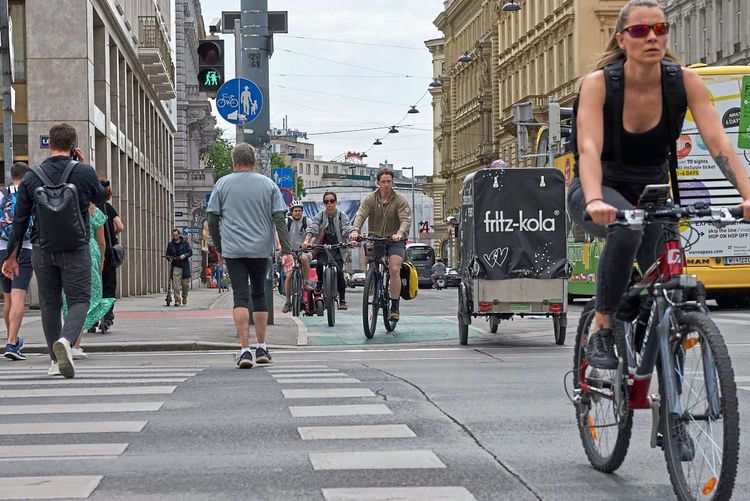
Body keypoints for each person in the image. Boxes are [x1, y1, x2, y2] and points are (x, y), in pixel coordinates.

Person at [569, 0, 750, 370]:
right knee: (625, 228)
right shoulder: (600, 84)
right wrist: (593, 200)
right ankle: (602, 327)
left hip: (653, 193)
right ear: (621, 40)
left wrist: (748, 195)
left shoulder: (683, 82)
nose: (652, 37)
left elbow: (718, 144)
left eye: (660, 29)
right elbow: (588, 148)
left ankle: (674, 417)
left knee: (671, 292)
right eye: (640, 31)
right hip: (598, 186)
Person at [2, 123, 105, 378]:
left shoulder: (31, 177)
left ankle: (54, 360)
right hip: (76, 246)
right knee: (80, 299)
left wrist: (11, 257)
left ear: (50, 143)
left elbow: (20, 220)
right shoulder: (84, 172)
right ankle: (67, 341)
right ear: (73, 145)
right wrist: (82, 164)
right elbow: (101, 198)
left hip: (42, 248)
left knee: (49, 303)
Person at [207, 143, 292, 369]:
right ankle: (262, 346)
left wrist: (219, 247)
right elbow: (280, 219)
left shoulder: (222, 184)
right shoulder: (269, 185)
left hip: (233, 250)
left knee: (240, 297)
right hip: (260, 250)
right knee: (259, 295)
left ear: (234, 161)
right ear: (254, 161)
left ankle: (245, 350)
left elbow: (212, 218)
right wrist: (286, 250)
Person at [350, 167, 412, 320]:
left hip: (395, 239)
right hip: (376, 237)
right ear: (378, 183)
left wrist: (400, 233)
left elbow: (406, 219)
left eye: (389, 182)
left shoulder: (399, 199)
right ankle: (373, 294)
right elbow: (361, 214)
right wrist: (355, 230)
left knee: (394, 268)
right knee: (372, 266)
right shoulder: (371, 198)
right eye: (383, 182)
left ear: (392, 182)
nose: (386, 185)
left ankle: (395, 307)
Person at [65, 203, 116, 360]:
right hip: (89, 254)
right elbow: (102, 242)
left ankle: (66, 339)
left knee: (68, 299)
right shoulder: (94, 211)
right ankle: (75, 344)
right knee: (84, 298)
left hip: (66, 252)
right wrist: (101, 260)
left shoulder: (66, 207)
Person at [1, 162, 32, 360]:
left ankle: (12, 338)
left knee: (8, 298)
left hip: (2, 249)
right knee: (18, 296)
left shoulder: (2, 194)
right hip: (25, 248)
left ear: (11, 176)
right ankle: (12, 343)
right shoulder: (30, 194)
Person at [302, 192, 353, 310]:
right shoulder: (320, 216)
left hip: (338, 248)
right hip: (323, 248)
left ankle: (342, 299)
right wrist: (307, 240)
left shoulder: (342, 216)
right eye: (326, 202)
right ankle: (320, 282)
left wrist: (351, 238)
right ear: (324, 203)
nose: (329, 204)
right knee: (319, 264)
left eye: (331, 201)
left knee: (339, 272)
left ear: (336, 202)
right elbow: (313, 228)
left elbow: (347, 229)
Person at [98, 179, 124, 331]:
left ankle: (93, 319)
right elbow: (120, 226)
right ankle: (108, 315)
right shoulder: (108, 208)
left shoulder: (91, 208)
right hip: (108, 252)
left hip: (94, 251)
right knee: (109, 284)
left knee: (95, 285)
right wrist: (113, 236)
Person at [282, 200, 313, 313]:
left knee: (304, 258)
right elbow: (280, 235)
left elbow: (312, 234)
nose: (297, 213)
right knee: (289, 275)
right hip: (290, 252)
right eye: (295, 211)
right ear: (291, 212)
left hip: (304, 251)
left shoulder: (307, 221)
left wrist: (308, 243)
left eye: (299, 210)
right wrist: (281, 247)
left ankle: (306, 282)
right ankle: (287, 301)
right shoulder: (287, 222)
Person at [166, 228, 192, 306]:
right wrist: (169, 258)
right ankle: (177, 300)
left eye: (176, 235)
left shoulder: (185, 243)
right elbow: (167, 254)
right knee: (176, 285)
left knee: (185, 285)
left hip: (184, 266)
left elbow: (190, 252)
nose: (175, 237)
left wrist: (184, 255)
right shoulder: (170, 244)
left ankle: (184, 297)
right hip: (175, 266)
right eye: (174, 235)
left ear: (179, 235)